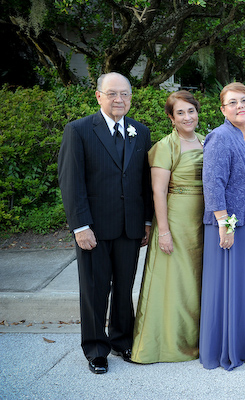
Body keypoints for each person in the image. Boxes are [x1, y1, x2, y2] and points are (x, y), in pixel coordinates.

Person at [57, 72, 152, 374]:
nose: (119, 99)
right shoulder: (79, 130)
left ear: (130, 97)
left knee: (124, 288)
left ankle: (122, 340)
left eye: (124, 94)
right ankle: (96, 349)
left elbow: (144, 182)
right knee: (95, 289)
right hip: (93, 228)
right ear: (98, 96)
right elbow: (71, 181)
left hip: (130, 227)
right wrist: (80, 225)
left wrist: (147, 220)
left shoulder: (141, 131)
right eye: (112, 93)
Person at [199, 82, 245, 371]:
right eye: (232, 102)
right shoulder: (220, 136)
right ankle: (224, 349)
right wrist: (223, 223)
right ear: (223, 109)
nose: (240, 106)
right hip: (230, 225)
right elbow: (212, 182)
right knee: (227, 288)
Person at [131, 91, 204, 364]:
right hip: (175, 218)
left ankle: (194, 338)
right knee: (175, 281)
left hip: (201, 221)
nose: (187, 117)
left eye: (191, 111)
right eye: (180, 113)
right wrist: (163, 231)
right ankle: (167, 344)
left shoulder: (206, 142)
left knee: (195, 282)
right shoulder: (166, 147)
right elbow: (158, 191)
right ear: (171, 118)